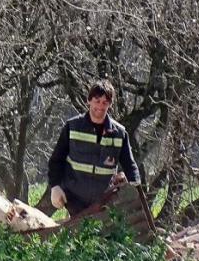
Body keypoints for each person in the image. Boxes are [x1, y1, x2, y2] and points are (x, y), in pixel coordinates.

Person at [47, 80, 140, 216]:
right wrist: (55, 186)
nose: (100, 106)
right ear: (89, 100)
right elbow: (56, 160)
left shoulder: (119, 134)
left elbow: (130, 165)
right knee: (77, 234)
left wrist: (135, 188)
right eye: (97, 101)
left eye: (105, 102)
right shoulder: (72, 127)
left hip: (103, 201)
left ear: (110, 104)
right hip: (74, 199)